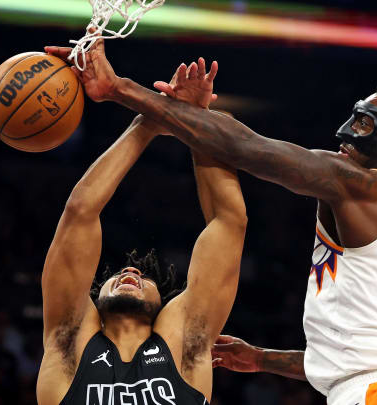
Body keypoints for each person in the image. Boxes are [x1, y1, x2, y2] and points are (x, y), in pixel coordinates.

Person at [45, 34, 377, 405]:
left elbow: (247, 149)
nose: (345, 133)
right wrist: (262, 359)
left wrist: (123, 91)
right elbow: (370, 355)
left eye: (365, 124)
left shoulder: (365, 187)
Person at [35, 62, 247, 405]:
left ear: (164, 307)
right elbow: (80, 212)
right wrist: (150, 121)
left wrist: (194, 120)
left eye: (140, 275)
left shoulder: (184, 342)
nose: (130, 271)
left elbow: (228, 223)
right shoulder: (68, 341)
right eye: (124, 273)